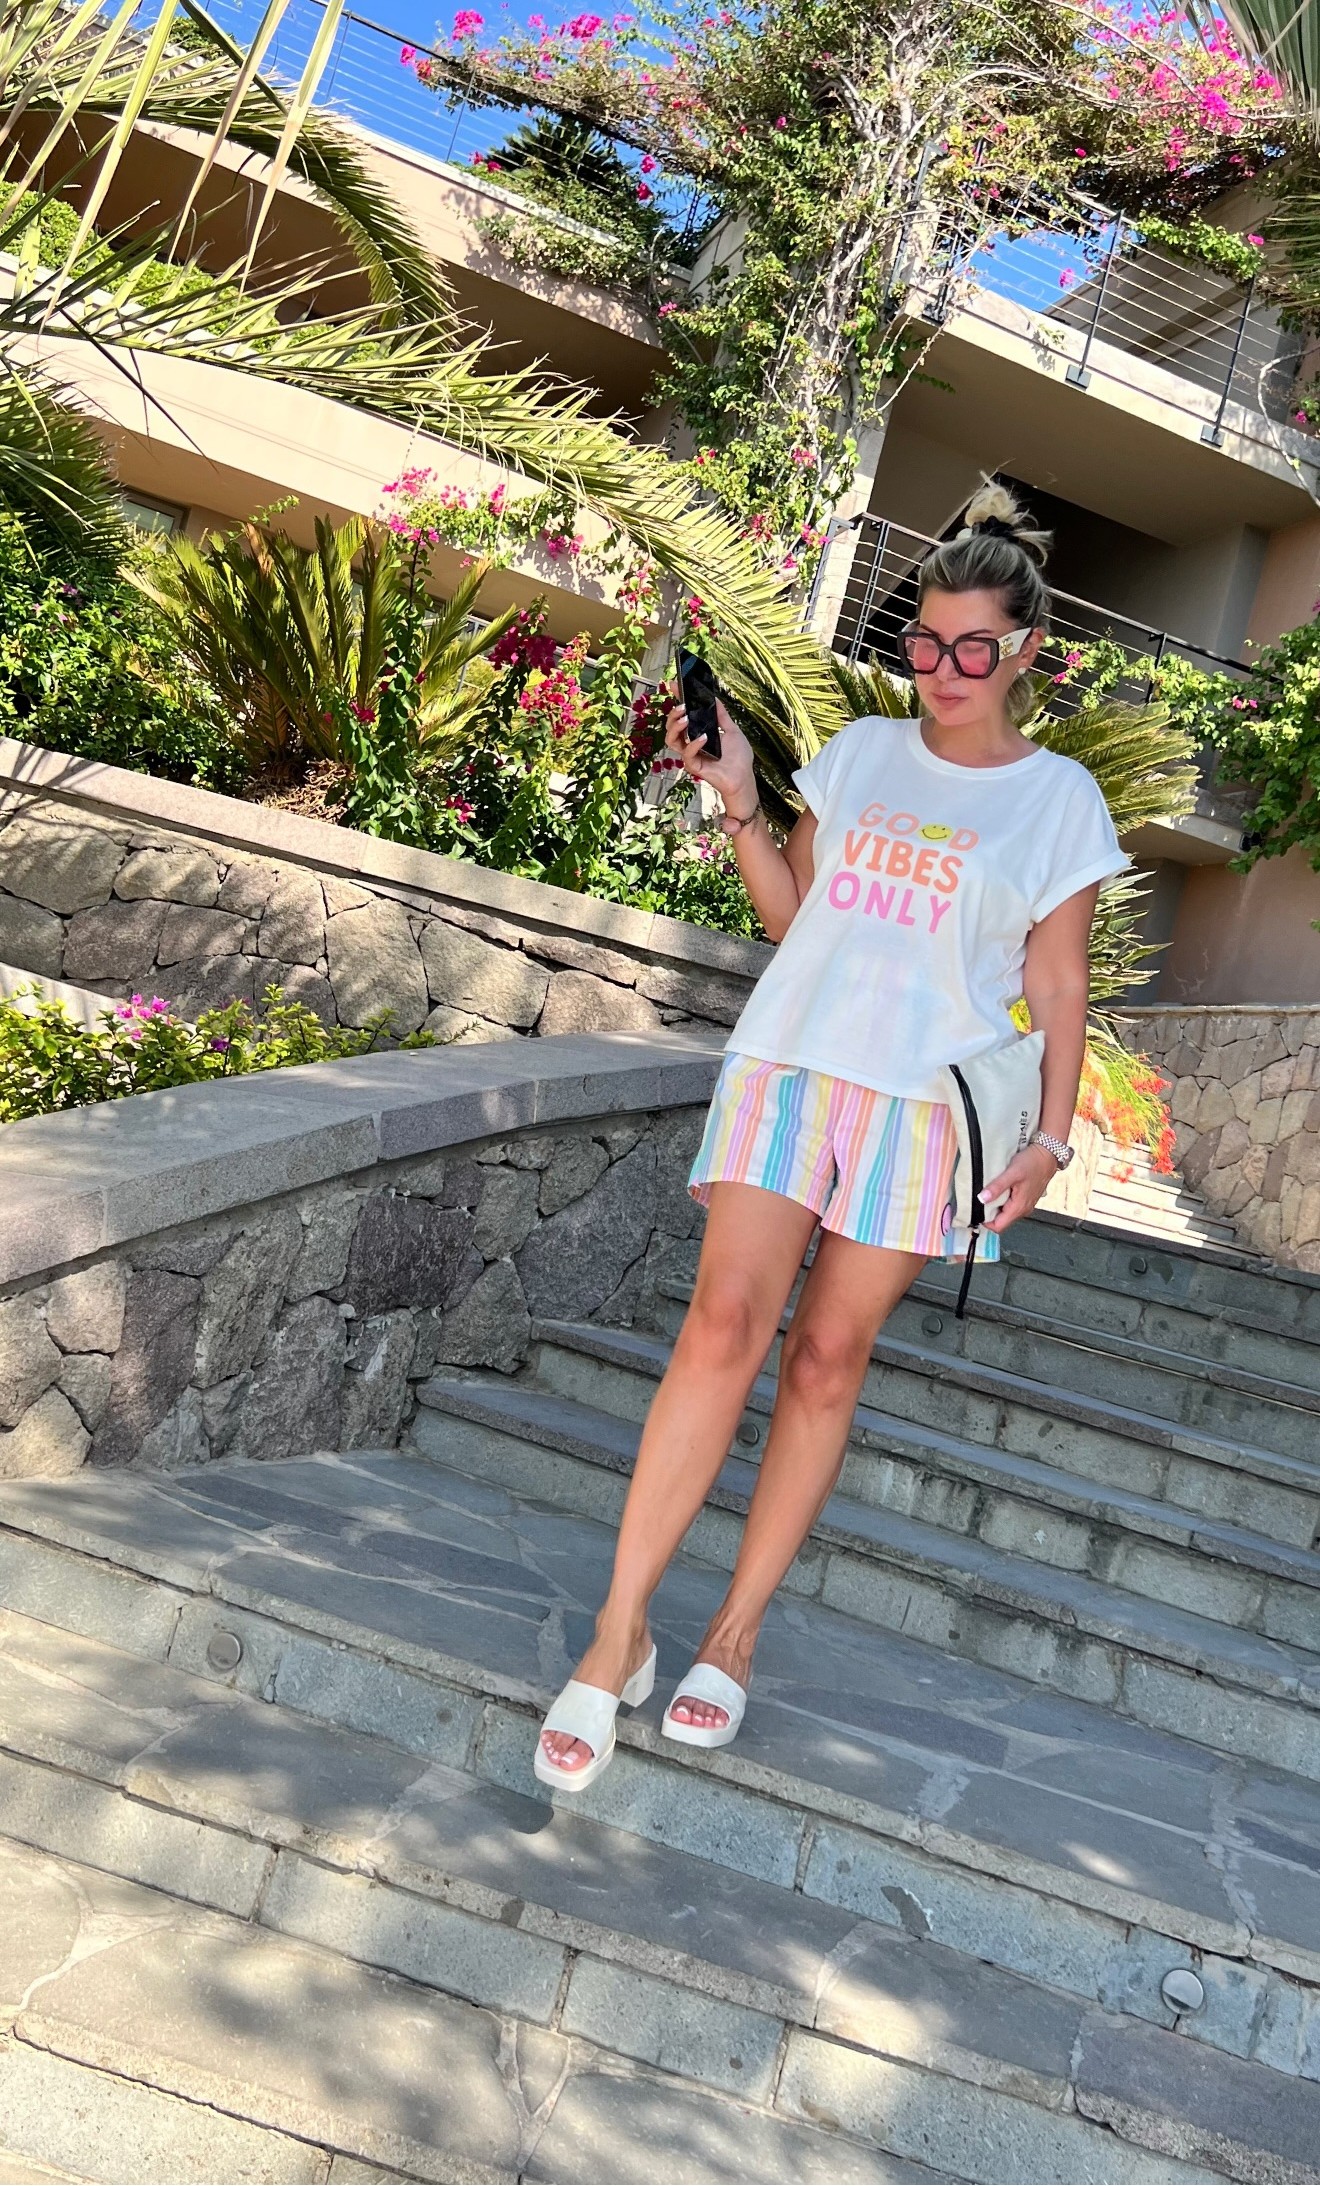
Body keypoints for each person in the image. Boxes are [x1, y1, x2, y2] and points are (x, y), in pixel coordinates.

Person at [535, 481, 1127, 1789]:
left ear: (1026, 648)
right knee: (720, 1328)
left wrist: (1047, 1141)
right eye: (926, 643)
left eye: (974, 648)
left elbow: (1060, 983)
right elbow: (796, 918)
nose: (945, 671)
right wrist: (742, 800)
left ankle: (733, 1636)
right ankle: (618, 1634)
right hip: (794, 1067)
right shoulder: (860, 755)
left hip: (925, 1105)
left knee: (823, 1362)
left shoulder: (1059, 800)